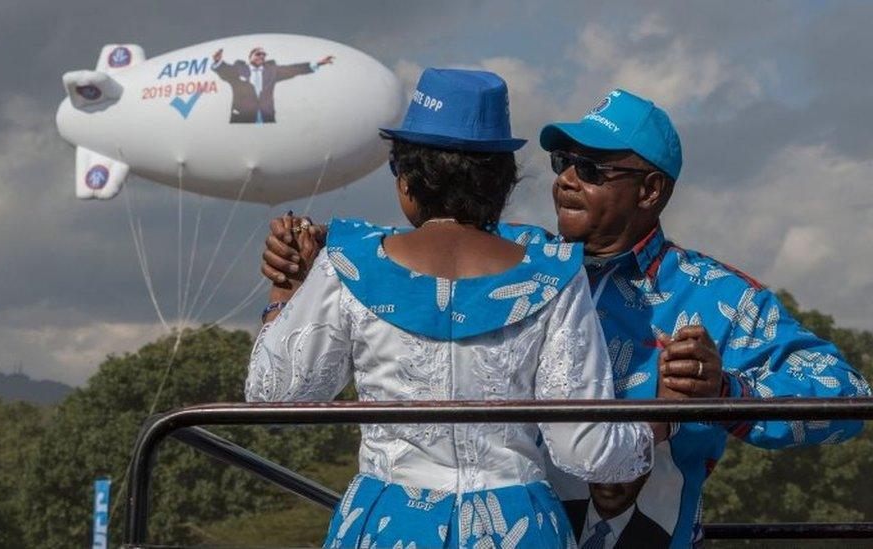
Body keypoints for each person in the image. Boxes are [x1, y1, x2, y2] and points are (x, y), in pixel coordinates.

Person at [260, 88, 871, 547]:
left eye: (594, 168)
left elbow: (845, 401)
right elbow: (411, 248)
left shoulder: (721, 298)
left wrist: (725, 392)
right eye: (562, 164)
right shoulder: (519, 262)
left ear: (651, 191)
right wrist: (307, 252)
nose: (568, 181)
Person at [246, 68, 667, 549]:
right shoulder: (553, 275)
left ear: (407, 180)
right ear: (502, 183)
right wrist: (665, 417)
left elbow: (275, 398)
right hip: (519, 527)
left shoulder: (348, 263)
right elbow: (586, 450)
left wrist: (286, 291)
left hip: (388, 524)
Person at [211, 47, 333, 124]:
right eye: (258, 54)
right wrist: (218, 62)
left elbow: (293, 69)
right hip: (243, 115)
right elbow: (226, 71)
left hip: (266, 115)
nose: (262, 57)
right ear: (250, 57)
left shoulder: (272, 71)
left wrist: (318, 63)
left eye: (264, 55)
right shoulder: (239, 69)